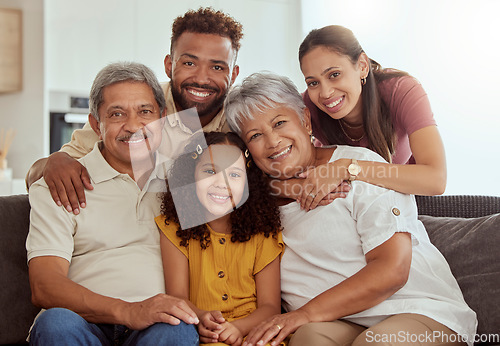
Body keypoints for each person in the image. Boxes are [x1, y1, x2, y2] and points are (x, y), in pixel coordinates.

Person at [224, 72, 477, 346]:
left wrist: (303, 314)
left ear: (305, 120)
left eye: (280, 122)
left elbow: (392, 271)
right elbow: (191, 187)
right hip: (342, 321)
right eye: (256, 135)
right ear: (246, 148)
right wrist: (285, 187)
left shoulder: (359, 166)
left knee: (375, 343)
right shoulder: (249, 200)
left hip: (420, 311)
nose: (272, 141)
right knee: (308, 339)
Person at [26, 62, 199, 345]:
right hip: (81, 323)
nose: (133, 126)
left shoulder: (187, 182)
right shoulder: (59, 184)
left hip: (159, 327)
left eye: (145, 112)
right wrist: (128, 311)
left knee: (178, 328)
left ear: (162, 117)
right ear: (96, 124)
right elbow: (44, 286)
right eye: (117, 114)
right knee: (55, 323)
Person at [25, 7, 243, 215]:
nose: (201, 78)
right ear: (169, 65)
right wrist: (54, 162)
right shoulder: (141, 104)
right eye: (189, 63)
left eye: (217, 67)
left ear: (233, 74)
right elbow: (39, 173)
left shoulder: (241, 119)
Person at [281, 25, 446, 211]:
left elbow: (436, 179)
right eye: (313, 82)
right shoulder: (309, 106)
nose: (325, 93)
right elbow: (264, 167)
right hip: (343, 205)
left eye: (334, 75)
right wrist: (299, 187)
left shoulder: (401, 90)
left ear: (362, 66)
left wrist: (346, 168)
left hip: (405, 202)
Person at [156, 131, 284, 346]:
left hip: (255, 335)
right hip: (205, 334)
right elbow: (178, 297)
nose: (221, 183)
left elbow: (270, 307)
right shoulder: (174, 228)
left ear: (248, 183)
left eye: (234, 174)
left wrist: (239, 328)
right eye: (210, 171)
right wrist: (202, 318)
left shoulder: (264, 231)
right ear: (191, 175)